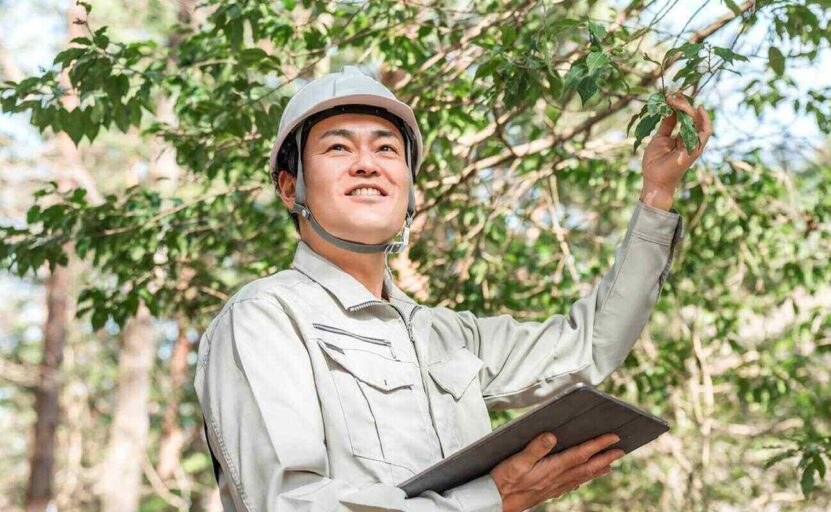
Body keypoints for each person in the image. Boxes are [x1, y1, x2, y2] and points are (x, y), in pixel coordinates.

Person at [194, 65, 712, 512]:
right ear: (291, 188)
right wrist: (492, 499)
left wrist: (657, 194)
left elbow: (592, 343)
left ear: (410, 188)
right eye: (337, 147)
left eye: (386, 149)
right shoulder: (266, 316)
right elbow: (289, 505)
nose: (367, 164)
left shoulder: (446, 334)